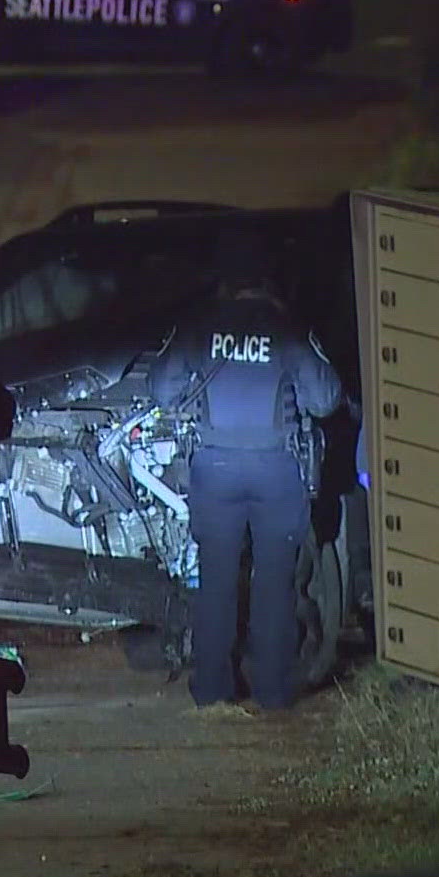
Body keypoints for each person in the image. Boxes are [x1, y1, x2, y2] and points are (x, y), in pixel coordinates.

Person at [148, 231, 343, 711]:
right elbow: (326, 398)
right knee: (274, 583)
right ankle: (273, 693)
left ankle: (213, 693)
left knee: (215, 581)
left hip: (214, 469)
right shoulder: (287, 327)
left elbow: (162, 390)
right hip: (277, 469)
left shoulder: (198, 325)